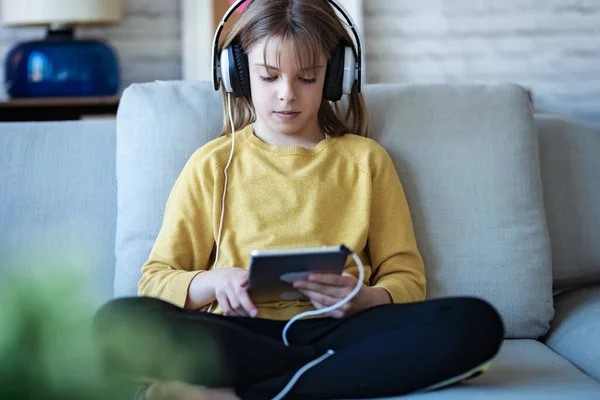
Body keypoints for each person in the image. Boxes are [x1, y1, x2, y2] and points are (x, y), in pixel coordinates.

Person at [93, 1, 504, 399]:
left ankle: (243, 391)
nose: (287, 94)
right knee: (116, 321)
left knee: (475, 323)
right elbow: (156, 280)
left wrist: (364, 297)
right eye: (269, 77)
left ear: (334, 77)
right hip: (242, 332)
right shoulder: (211, 164)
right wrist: (214, 282)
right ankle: (325, 374)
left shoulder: (366, 160)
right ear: (237, 74)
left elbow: (406, 276)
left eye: (306, 78)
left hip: (341, 329)